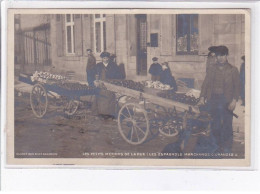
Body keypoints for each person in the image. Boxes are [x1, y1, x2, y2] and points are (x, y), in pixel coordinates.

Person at [197, 46, 240, 153]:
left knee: (227, 124)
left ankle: (226, 147)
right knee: (215, 123)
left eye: (222, 55)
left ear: (227, 55)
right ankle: (215, 145)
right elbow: (205, 84)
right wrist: (202, 97)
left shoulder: (233, 70)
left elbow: (238, 87)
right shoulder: (212, 68)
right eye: (218, 55)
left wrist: (234, 100)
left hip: (227, 100)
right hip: (213, 99)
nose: (220, 58)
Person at [94, 52, 122, 118]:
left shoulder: (113, 65)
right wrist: (96, 80)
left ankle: (110, 113)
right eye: (104, 58)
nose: (106, 59)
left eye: (107, 58)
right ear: (102, 59)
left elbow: (118, 75)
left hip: (110, 84)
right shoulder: (98, 65)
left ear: (109, 58)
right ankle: (101, 113)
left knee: (110, 99)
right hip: (101, 85)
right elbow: (95, 74)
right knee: (101, 99)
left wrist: (114, 80)